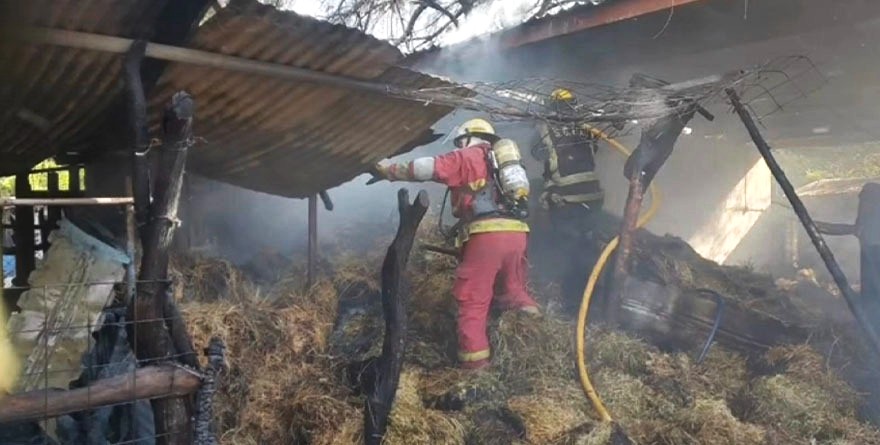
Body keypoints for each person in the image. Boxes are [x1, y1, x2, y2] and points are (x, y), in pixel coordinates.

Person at [371, 118, 539, 369]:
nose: (459, 146)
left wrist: (389, 171)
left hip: (487, 236)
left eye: (460, 141)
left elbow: (428, 168)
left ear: (468, 138)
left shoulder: (469, 155)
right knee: (513, 290)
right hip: (517, 235)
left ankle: (476, 370)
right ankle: (537, 342)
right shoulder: (501, 163)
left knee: (473, 301)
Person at [532, 88, 605, 314]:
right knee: (588, 245)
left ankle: (567, 301)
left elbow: (538, 154)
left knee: (564, 248)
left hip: (567, 198)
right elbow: (594, 150)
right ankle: (592, 293)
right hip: (592, 196)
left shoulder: (544, 127)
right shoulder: (585, 125)